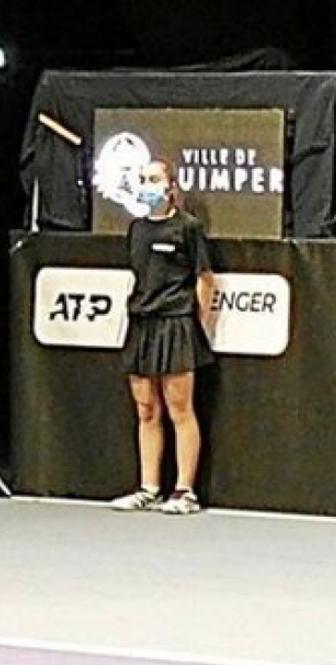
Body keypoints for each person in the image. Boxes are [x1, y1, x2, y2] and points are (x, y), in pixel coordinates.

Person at [111, 158, 214, 515]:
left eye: (153, 178)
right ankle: (148, 487)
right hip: (142, 324)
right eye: (141, 178)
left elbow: (204, 279)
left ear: (170, 186)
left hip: (176, 324)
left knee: (179, 409)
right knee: (146, 409)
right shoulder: (137, 229)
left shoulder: (188, 228)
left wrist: (194, 322)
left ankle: (185, 491)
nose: (145, 184)